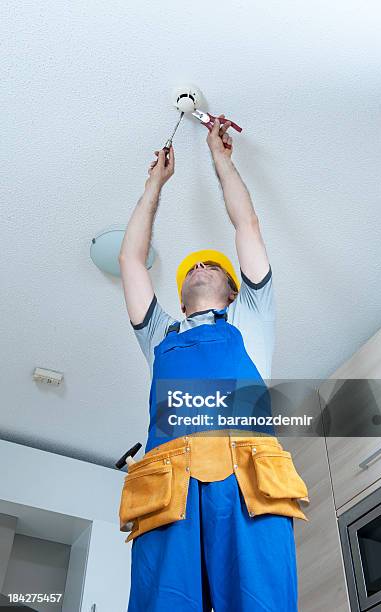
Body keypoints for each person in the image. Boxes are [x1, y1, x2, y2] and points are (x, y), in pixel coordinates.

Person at [118, 117, 309, 611]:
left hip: (247, 488)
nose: (201, 265)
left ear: (234, 288)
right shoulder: (162, 335)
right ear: (180, 302)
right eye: (190, 269)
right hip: (171, 490)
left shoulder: (252, 318)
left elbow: (247, 224)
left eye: (214, 265)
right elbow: (131, 262)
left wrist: (220, 158)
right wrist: (153, 186)